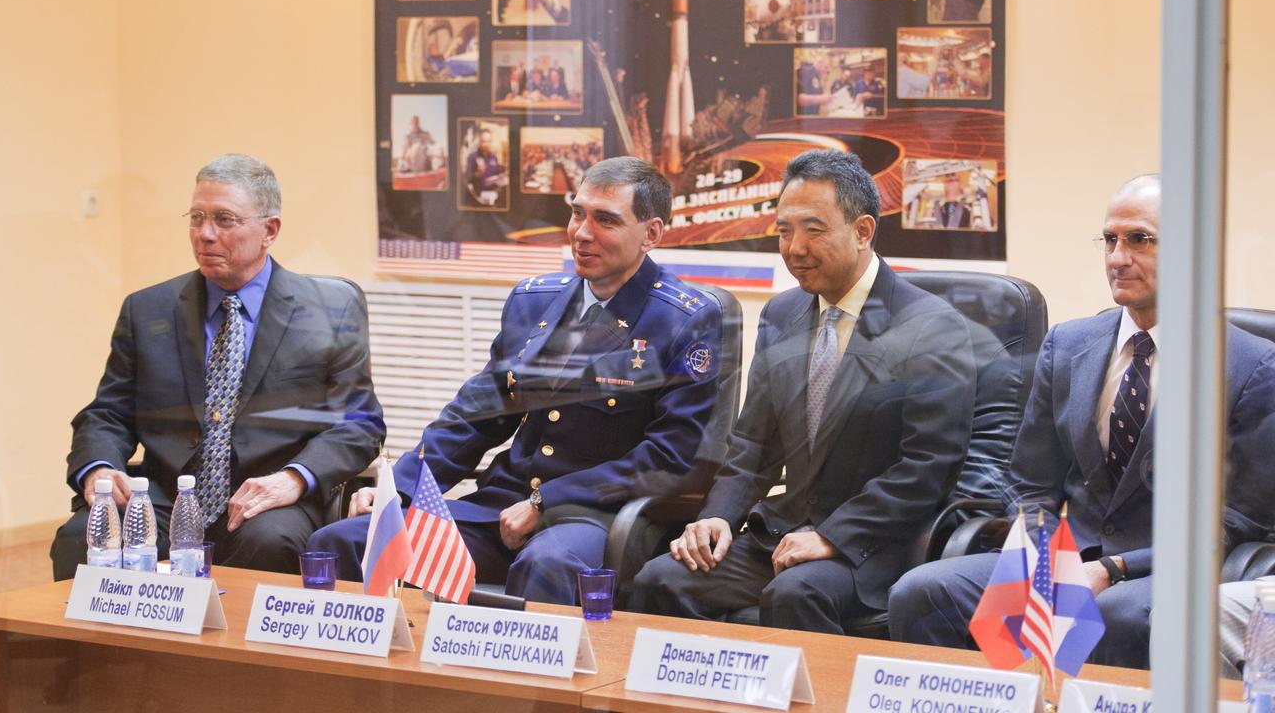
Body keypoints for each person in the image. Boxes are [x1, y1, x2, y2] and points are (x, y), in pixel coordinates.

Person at [888, 174, 1275, 669]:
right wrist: (1047, 556)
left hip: (1166, 568)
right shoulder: (1068, 345)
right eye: (1110, 239)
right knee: (922, 592)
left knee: (1114, 612)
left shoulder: (1251, 365)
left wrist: (1114, 568)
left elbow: (1237, 521)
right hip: (1067, 555)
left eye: (1139, 239)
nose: (1117, 257)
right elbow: (1030, 484)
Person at [308, 157, 723, 604]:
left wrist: (547, 502)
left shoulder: (682, 320)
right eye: (577, 213)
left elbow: (669, 456)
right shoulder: (533, 301)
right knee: (345, 540)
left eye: (605, 220)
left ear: (651, 234)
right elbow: (476, 416)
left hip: (593, 515)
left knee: (545, 565)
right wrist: (400, 488)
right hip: (502, 505)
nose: (582, 233)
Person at [627, 150, 976, 633]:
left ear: (863, 231)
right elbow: (753, 444)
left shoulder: (930, 327)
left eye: (813, 230)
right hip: (782, 532)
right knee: (659, 580)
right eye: (784, 231)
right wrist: (720, 517)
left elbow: (928, 467)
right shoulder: (781, 314)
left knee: (795, 593)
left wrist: (833, 536)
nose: (794, 248)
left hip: (874, 544)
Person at [50, 153, 386, 580]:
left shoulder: (326, 312)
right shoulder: (148, 309)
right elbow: (108, 413)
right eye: (197, 218)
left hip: (272, 498)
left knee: (270, 542)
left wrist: (294, 479)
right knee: (80, 537)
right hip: (168, 496)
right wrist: (98, 467)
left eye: (224, 220)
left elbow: (360, 425)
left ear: (270, 230)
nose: (205, 234)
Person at [464, 128, 508, 207]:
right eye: (484, 141)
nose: (487, 144)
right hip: (481, 193)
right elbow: (467, 179)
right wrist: (478, 173)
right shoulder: (472, 157)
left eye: (489, 141)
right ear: (479, 142)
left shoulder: (493, 156)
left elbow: (497, 170)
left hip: (496, 189)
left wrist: (503, 172)